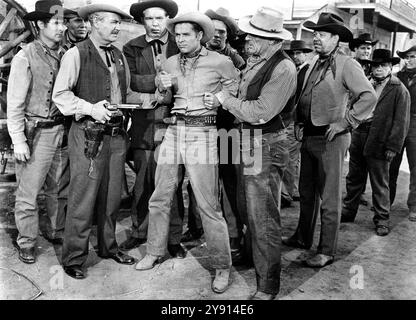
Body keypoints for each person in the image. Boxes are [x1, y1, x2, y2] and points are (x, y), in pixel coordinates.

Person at [135, 12, 239, 295]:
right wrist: (162, 88)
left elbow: (237, 90)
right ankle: (154, 251)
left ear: (199, 36)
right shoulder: (169, 62)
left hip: (203, 133)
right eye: (177, 35)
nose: (179, 39)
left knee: (208, 204)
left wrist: (218, 99)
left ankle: (221, 266)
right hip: (173, 131)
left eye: (185, 35)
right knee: (160, 195)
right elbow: (165, 99)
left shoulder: (221, 62)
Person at [53, 3, 143, 279]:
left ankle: (108, 246)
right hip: (87, 136)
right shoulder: (75, 54)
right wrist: (92, 108)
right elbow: (61, 96)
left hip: (116, 136)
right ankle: (74, 257)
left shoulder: (117, 54)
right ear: (94, 22)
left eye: (118, 23)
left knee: (112, 196)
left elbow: (123, 93)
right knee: (82, 199)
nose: (117, 28)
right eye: (112, 22)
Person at [283, 13, 377, 267]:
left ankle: (326, 250)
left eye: (322, 35)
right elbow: (306, 96)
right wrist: (300, 122)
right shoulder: (313, 62)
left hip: (331, 139)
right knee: (306, 192)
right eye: (315, 34)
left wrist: (345, 122)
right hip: (309, 136)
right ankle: (303, 237)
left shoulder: (348, 64)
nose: (316, 39)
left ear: (336, 39)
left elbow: (368, 96)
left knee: (330, 197)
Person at [218, 7, 297, 300]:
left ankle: (268, 285)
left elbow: (261, 113)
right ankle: (254, 261)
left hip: (264, 143)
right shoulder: (256, 59)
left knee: (263, 218)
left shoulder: (283, 68)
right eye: (251, 32)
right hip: (247, 141)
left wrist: (225, 100)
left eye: (257, 35)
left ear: (274, 41)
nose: (249, 38)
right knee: (248, 209)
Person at [120, 0, 185, 259]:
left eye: (160, 18)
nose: (155, 24)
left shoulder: (178, 43)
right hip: (144, 125)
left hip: (173, 125)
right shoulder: (132, 47)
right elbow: (128, 79)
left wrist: (171, 87)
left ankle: (173, 238)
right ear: (142, 21)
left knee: (172, 185)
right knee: (143, 183)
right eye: (150, 19)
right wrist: (156, 81)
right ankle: (139, 232)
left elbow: (186, 78)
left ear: (168, 18)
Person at [7, 0, 69, 264]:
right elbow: (15, 103)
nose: (62, 28)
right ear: (40, 25)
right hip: (37, 133)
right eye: (55, 23)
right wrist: (18, 140)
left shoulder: (66, 53)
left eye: (63, 22)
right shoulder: (25, 56)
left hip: (62, 132)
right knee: (28, 193)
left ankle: (56, 231)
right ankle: (27, 241)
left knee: (59, 188)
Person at [341, 49, 410, 236]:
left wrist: (393, 146)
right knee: (354, 177)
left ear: (390, 67)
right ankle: (348, 210)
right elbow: (351, 105)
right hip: (359, 134)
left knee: (380, 181)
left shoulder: (398, 89)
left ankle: (382, 219)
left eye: (383, 66)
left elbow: (401, 122)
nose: (379, 69)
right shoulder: (365, 83)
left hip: (380, 139)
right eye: (375, 66)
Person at [282, 39, 313, 207]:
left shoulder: (307, 71)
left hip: (297, 119)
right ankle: (292, 189)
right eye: (293, 53)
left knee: (291, 156)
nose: (296, 56)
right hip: (292, 118)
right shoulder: (294, 70)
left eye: (299, 53)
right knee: (292, 157)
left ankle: (287, 192)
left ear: (306, 54)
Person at [390, 40, 416, 222]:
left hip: (415, 124)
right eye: (407, 57)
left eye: (413, 56)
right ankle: (385, 202)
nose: (409, 60)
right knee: (390, 165)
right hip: (398, 124)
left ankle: (414, 206)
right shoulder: (397, 78)